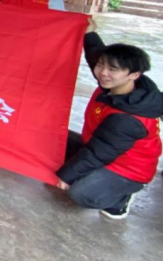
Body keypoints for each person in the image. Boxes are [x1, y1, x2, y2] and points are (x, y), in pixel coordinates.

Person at [56, 20, 162, 219]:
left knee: (79, 192)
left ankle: (120, 199)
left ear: (134, 75)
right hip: (102, 147)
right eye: (101, 66)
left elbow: (98, 153)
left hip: (128, 169)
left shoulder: (128, 118)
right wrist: (89, 34)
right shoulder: (118, 84)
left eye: (112, 69)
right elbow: (97, 56)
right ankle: (95, 177)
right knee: (53, 139)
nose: (103, 73)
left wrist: (67, 176)